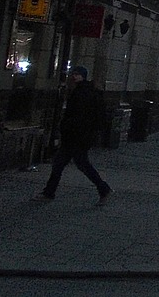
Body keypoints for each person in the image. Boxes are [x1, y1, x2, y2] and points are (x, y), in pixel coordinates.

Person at [41, 66, 110, 203]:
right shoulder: (86, 91)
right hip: (78, 136)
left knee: (77, 164)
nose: (74, 77)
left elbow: (77, 116)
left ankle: (103, 188)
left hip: (76, 136)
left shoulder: (81, 93)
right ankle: (49, 192)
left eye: (77, 75)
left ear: (82, 76)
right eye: (74, 74)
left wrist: (68, 129)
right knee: (63, 164)